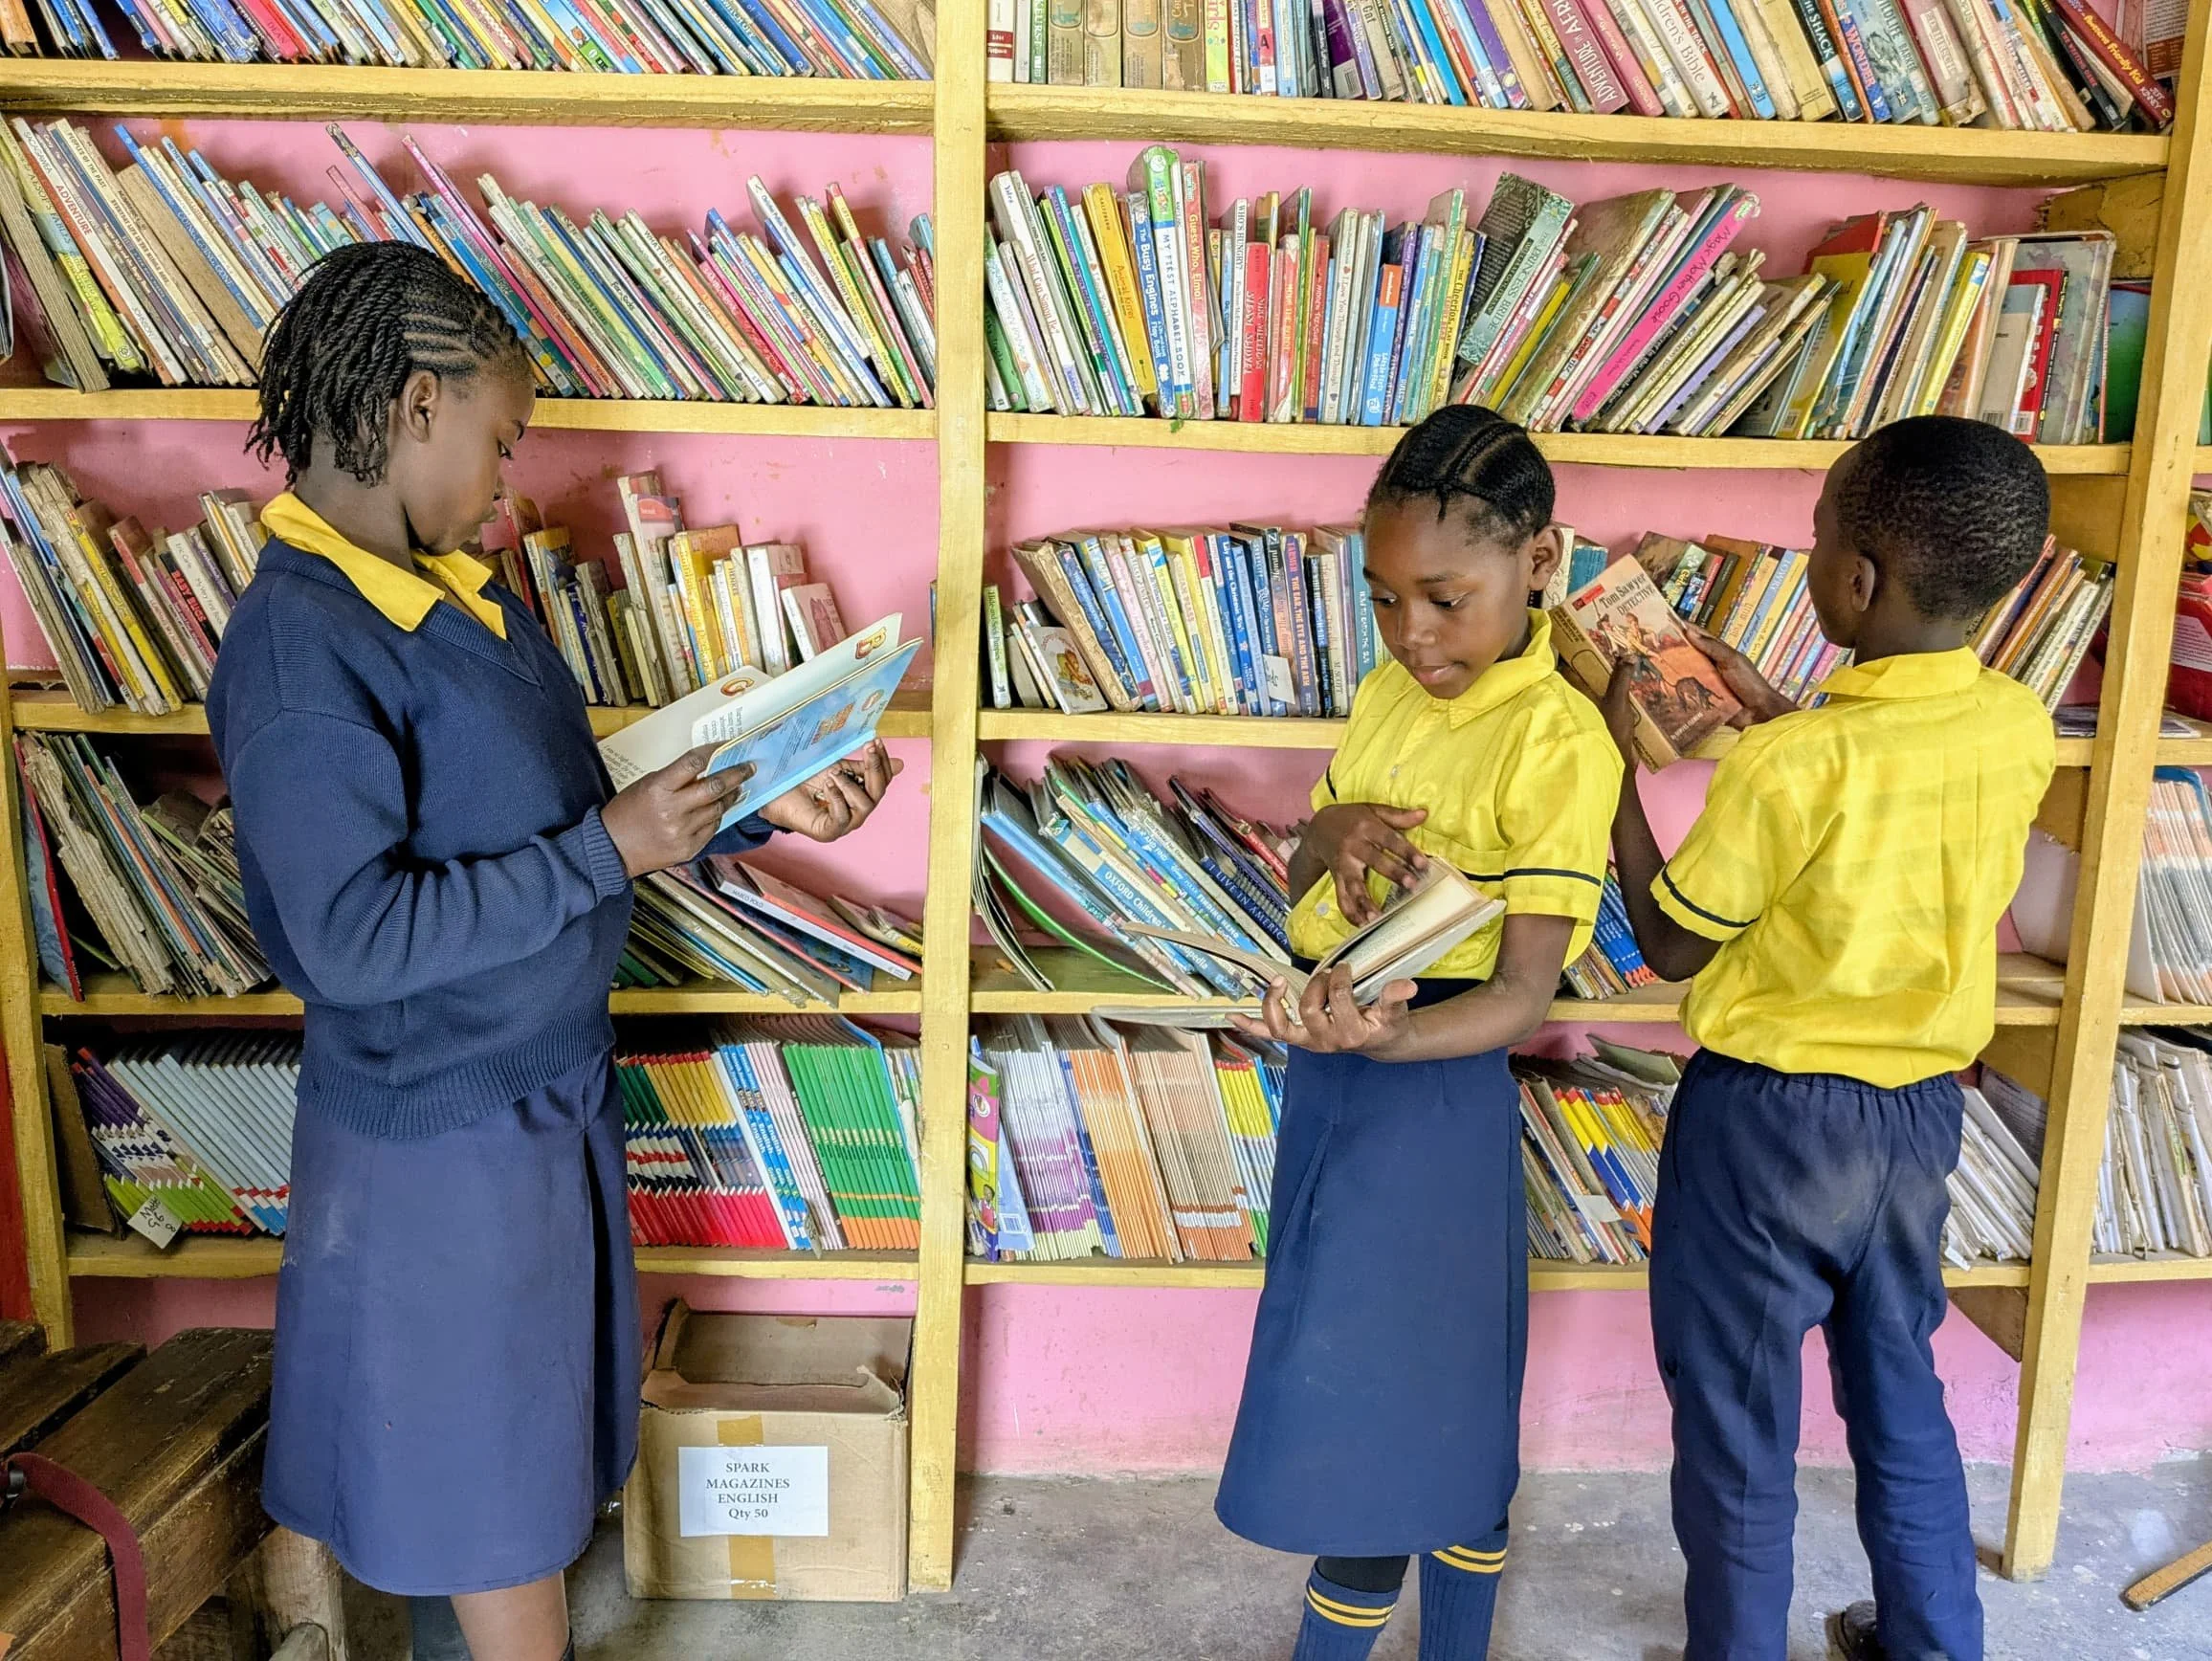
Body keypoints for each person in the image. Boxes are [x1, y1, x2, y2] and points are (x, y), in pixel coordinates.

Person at [206, 241, 900, 1661]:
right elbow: (352, 937)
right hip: (437, 1151)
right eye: (501, 441)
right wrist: (614, 850)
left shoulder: (459, 592)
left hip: (535, 1103)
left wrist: (746, 807)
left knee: (499, 1483)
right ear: (414, 407)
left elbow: (556, 815)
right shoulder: (302, 652)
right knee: (486, 1507)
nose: (510, 481)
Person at [1600, 415, 2057, 1661]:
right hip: (1916, 1123)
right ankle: (1932, 1642)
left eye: (1816, 545)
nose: (1809, 565)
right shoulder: (2016, 727)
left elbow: (1676, 944)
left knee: (1742, 1426)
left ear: (1857, 581)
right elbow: (1884, 777)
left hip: (1766, 1127)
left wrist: (1615, 783)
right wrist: (1780, 713)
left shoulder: (1789, 767)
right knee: (1902, 1393)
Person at [1214, 405, 1623, 1661]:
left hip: (1431, 1086)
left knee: (1402, 1419)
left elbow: (1522, 1003)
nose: (1414, 635)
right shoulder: (1390, 692)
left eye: (1445, 599)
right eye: (1387, 600)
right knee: (1369, 1390)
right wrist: (1316, 842)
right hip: (1340, 1065)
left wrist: (1385, 1046)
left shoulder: (1558, 741)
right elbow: (1304, 896)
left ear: (1540, 563)